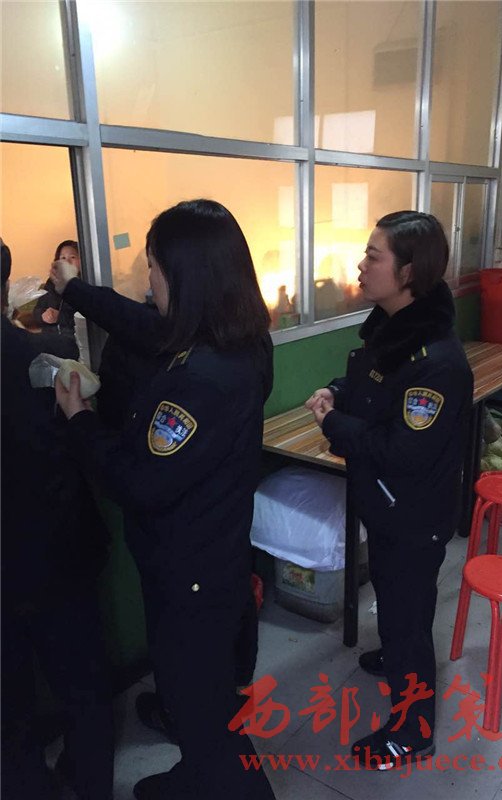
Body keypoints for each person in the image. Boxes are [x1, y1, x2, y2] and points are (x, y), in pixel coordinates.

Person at [52, 200, 275, 800]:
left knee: (206, 715)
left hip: (190, 577)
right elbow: (141, 324)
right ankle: (195, 774)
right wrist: (78, 291)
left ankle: (226, 784)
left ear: (185, 276)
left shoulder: (200, 378)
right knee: (200, 699)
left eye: (152, 267)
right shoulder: (241, 343)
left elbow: (138, 482)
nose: (148, 281)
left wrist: (79, 420)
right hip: (213, 558)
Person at [305, 211, 473, 768]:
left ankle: (413, 731)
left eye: (373, 257)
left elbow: (404, 450)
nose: (361, 265)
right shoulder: (395, 328)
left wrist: (335, 425)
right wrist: (336, 392)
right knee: (397, 602)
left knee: (407, 618)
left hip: (413, 514)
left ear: (408, 273)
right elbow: (375, 388)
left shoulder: (437, 362)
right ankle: (398, 658)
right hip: (387, 503)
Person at [1, 239, 114, 800]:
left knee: (9, 702)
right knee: (83, 684)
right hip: (58, 548)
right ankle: (91, 782)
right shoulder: (42, 358)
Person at [33, 239, 80, 335]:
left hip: (75, 338)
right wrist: (43, 315)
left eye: (72, 257)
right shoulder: (51, 282)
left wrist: (60, 317)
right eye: (63, 258)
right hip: (51, 338)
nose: (67, 261)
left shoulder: (88, 283)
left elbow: (89, 319)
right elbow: (36, 311)